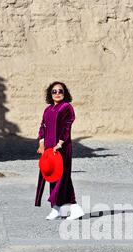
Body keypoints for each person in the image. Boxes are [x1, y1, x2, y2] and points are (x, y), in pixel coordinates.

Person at [35, 81, 84, 220]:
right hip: (48, 148)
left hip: (61, 147)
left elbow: (67, 126)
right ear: (50, 94)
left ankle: (74, 208)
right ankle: (56, 209)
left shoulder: (66, 107)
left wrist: (60, 143)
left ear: (65, 93)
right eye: (54, 91)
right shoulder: (48, 109)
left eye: (60, 91)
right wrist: (41, 142)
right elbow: (42, 127)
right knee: (52, 175)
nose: (57, 94)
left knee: (63, 177)